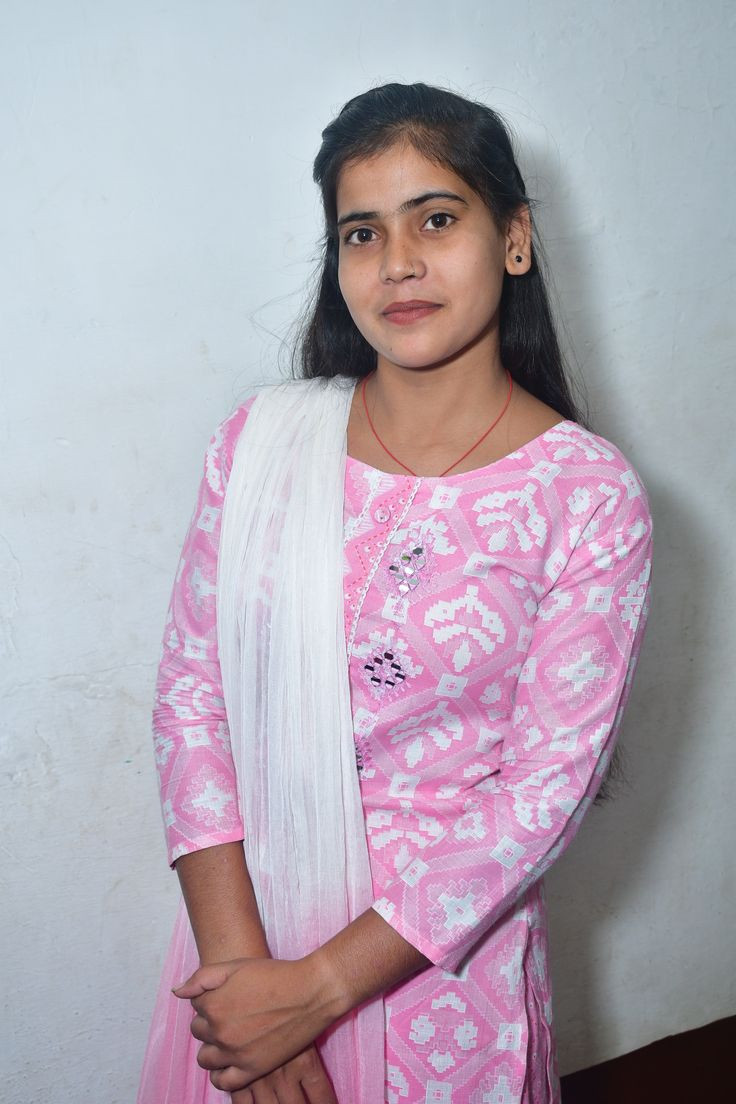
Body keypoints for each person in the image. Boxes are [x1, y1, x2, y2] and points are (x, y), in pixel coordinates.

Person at [137, 83, 653, 1104]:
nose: (399, 263)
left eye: (438, 219)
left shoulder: (586, 495)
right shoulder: (262, 444)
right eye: (362, 233)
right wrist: (249, 989)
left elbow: (538, 798)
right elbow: (191, 696)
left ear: (514, 239)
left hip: (436, 978)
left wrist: (319, 991)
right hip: (247, 946)